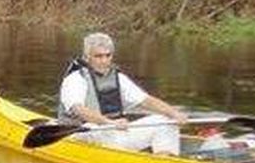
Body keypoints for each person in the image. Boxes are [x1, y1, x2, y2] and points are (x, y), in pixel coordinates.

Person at [58, 32, 188, 156]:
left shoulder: (118, 78)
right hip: (83, 133)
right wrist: (108, 122)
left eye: (108, 56)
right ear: (87, 57)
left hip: (113, 132)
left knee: (166, 121)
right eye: (98, 56)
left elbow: (146, 100)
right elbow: (79, 110)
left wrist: (173, 113)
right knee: (92, 125)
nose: (104, 61)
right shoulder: (76, 79)